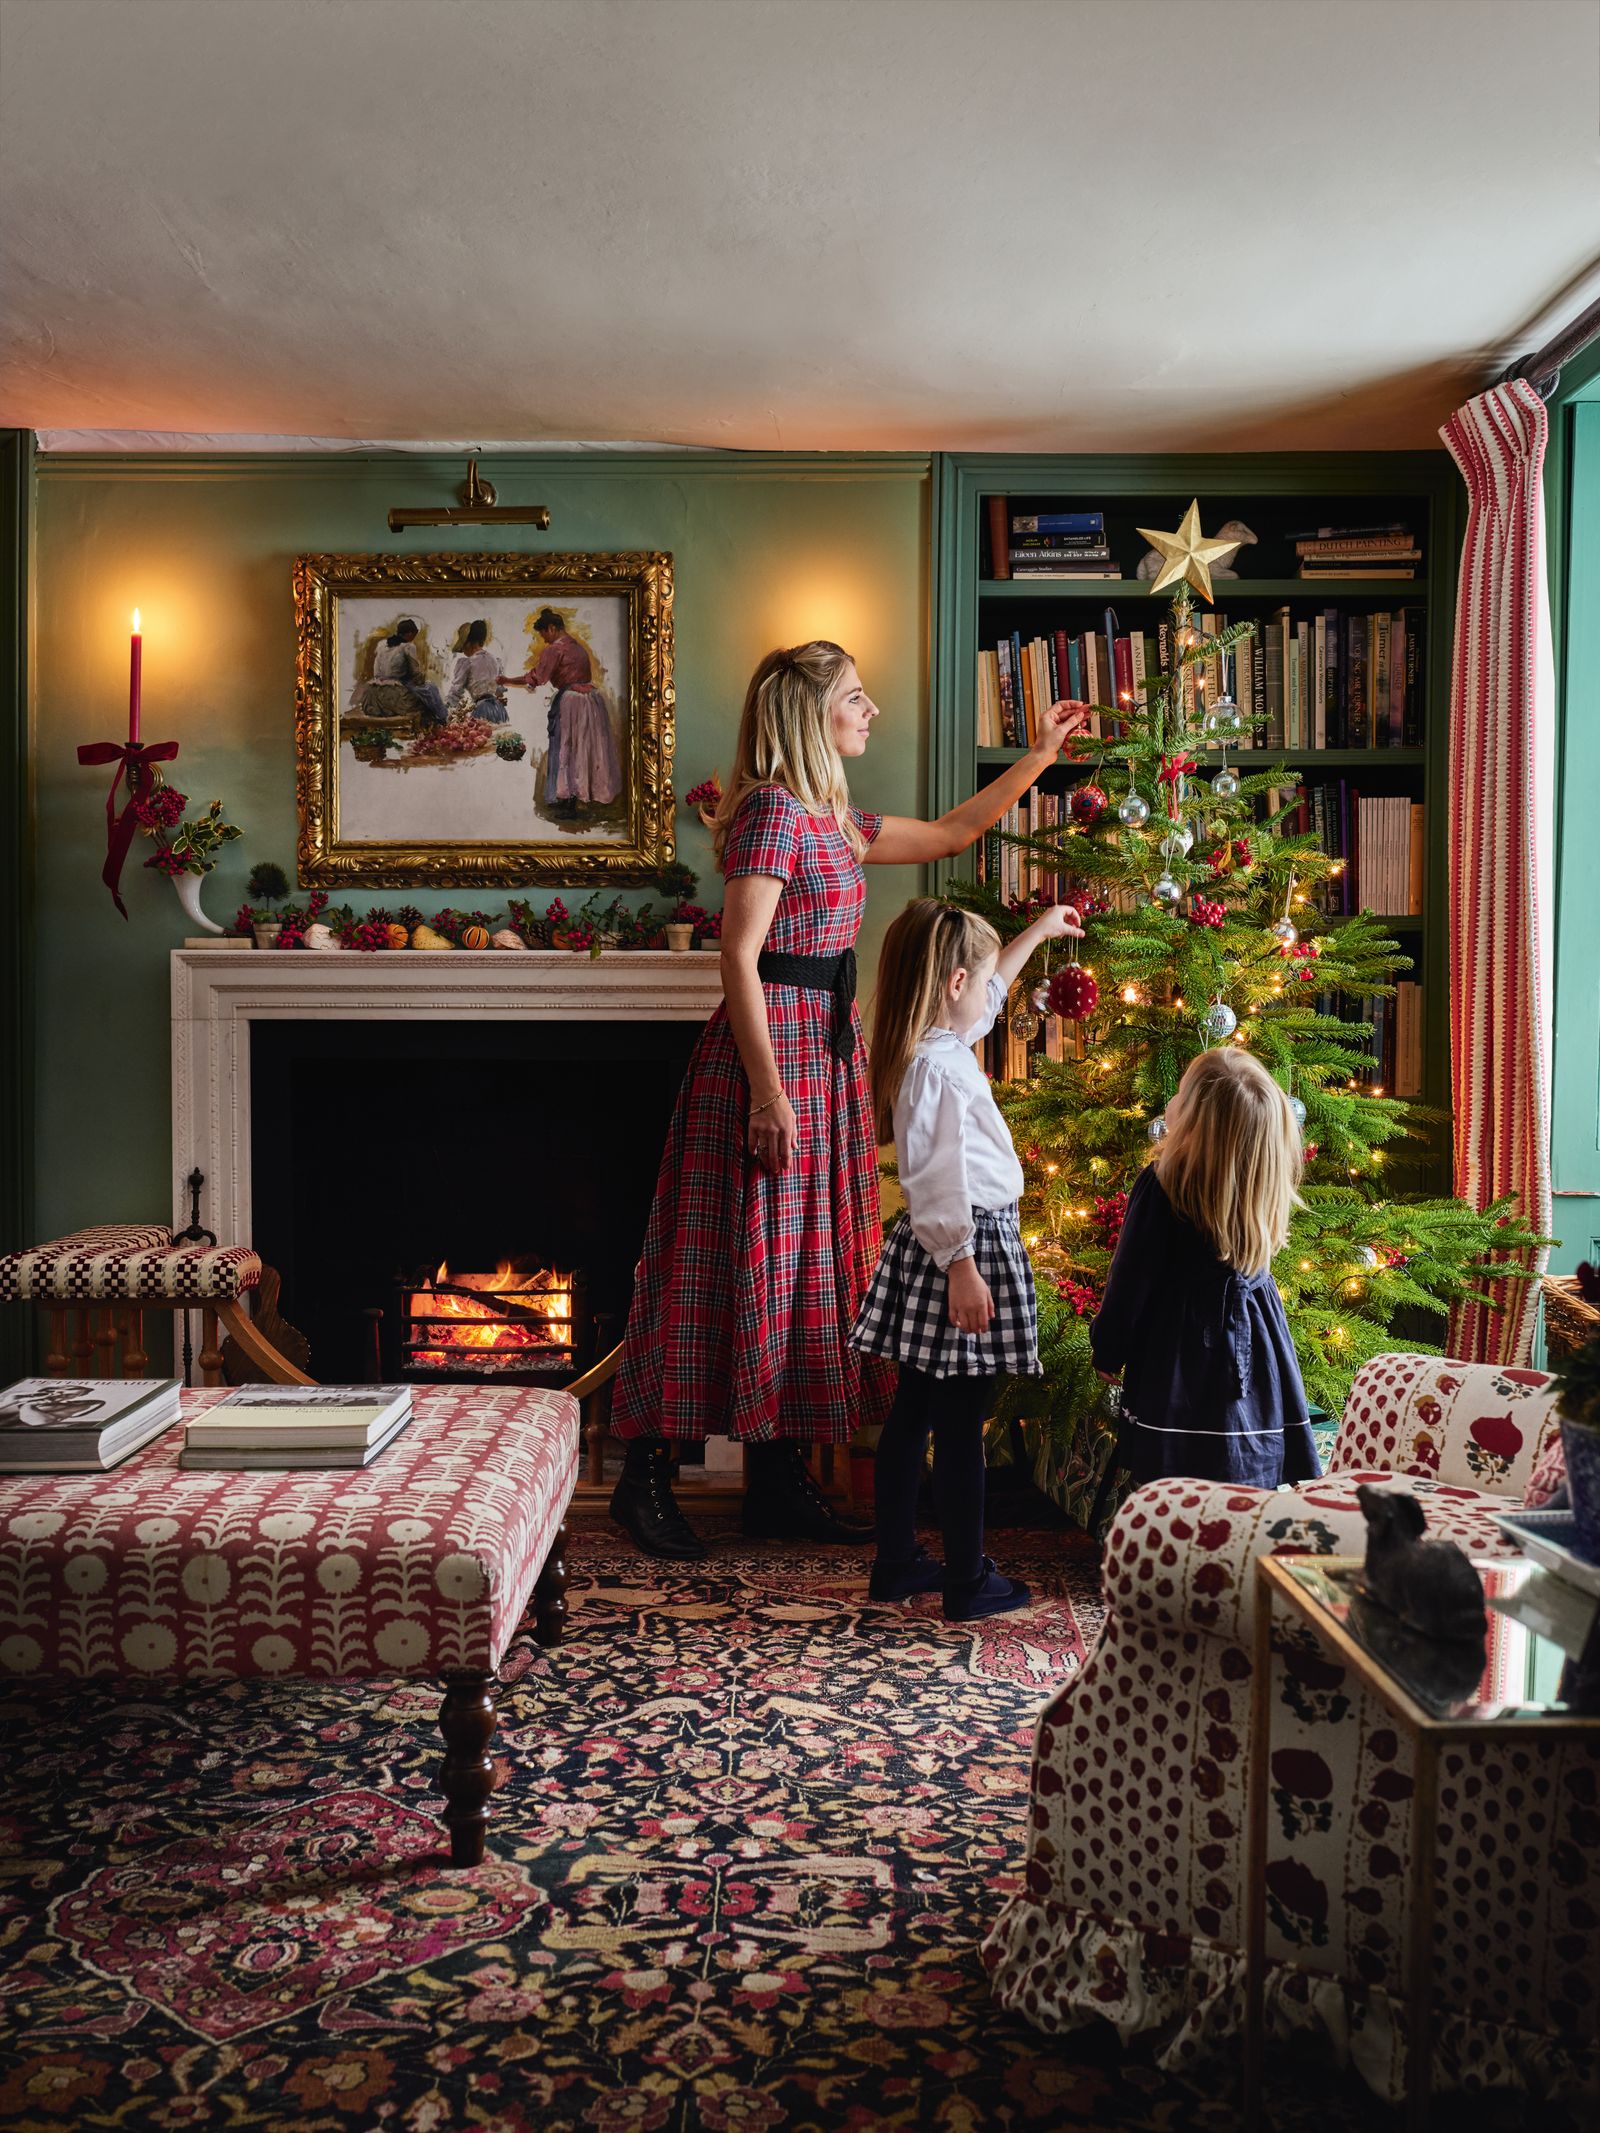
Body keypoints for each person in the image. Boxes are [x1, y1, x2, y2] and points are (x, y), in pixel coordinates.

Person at [606, 637, 1091, 1560]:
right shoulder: (770, 816)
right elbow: (738, 958)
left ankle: (776, 1483)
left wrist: (1036, 756)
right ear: (810, 712)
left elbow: (953, 834)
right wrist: (766, 1092)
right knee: (715, 1257)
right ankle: (645, 1478)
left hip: (819, 1050)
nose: (872, 713)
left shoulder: (834, 819)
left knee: (802, 1263)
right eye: (857, 699)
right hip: (770, 1061)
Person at [849, 896, 1082, 1621]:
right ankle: (965, 1580)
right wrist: (962, 1265)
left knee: (916, 1409)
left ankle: (896, 1562)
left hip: (949, 1246)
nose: (990, 995)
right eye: (979, 981)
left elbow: (989, 994)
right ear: (953, 983)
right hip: (962, 1246)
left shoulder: (938, 1042)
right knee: (958, 1421)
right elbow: (933, 1178)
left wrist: (1038, 933)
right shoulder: (939, 1071)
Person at [1091, 1046, 1321, 1488]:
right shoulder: (1262, 1185)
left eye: (1179, 1095)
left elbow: (1130, 1280)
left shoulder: (1164, 1183)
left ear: (1196, 1122)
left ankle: (1175, 1545)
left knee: (1173, 1476)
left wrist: (1109, 1347)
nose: (1168, 1105)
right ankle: (1236, 1543)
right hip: (1256, 1348)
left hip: (1178, 1351)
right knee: (1246, 1461)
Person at [512, 607, 622, 812]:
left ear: (552, 628)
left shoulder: (554, 649)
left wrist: (508, 680)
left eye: (544, 633)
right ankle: (583, 795)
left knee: (566, 748)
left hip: (571, 702)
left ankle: (567, 800)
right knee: (585, 749)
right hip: (591, 700)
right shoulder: (578, 647)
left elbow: (538, 678)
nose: (544, 639)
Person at [370, 618, 448, 726]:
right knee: (431, 688)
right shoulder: (408, 646)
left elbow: (376, 672)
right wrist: (422, 678)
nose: (414, 638)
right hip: (396, 691)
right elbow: (416, 674)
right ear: (410, 633)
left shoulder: (382, 645)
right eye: (414, 634)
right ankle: (443, 719)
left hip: (376, 691)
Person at [446, 618, 510, 725]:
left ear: (468, 643)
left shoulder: (467, 663)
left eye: (463, 647)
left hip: (482, 710)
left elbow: (455, 693)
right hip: (499, 710)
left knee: (480, 738)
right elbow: (500, 690)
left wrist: (446, 711)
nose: (463, 651)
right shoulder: (495, 660)